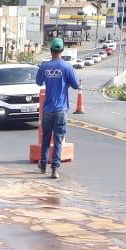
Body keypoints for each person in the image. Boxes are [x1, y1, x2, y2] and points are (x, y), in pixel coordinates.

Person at [34, 37, 80, 179]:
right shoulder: (67, 67)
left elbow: (38, 82)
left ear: (51, 50)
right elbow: (76, 85)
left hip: (47, 109)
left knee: (46, 138)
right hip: (61, 110)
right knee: (58, 139)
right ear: (62, 50)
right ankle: (55, 168)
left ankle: (43, 163)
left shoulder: (44, 66)